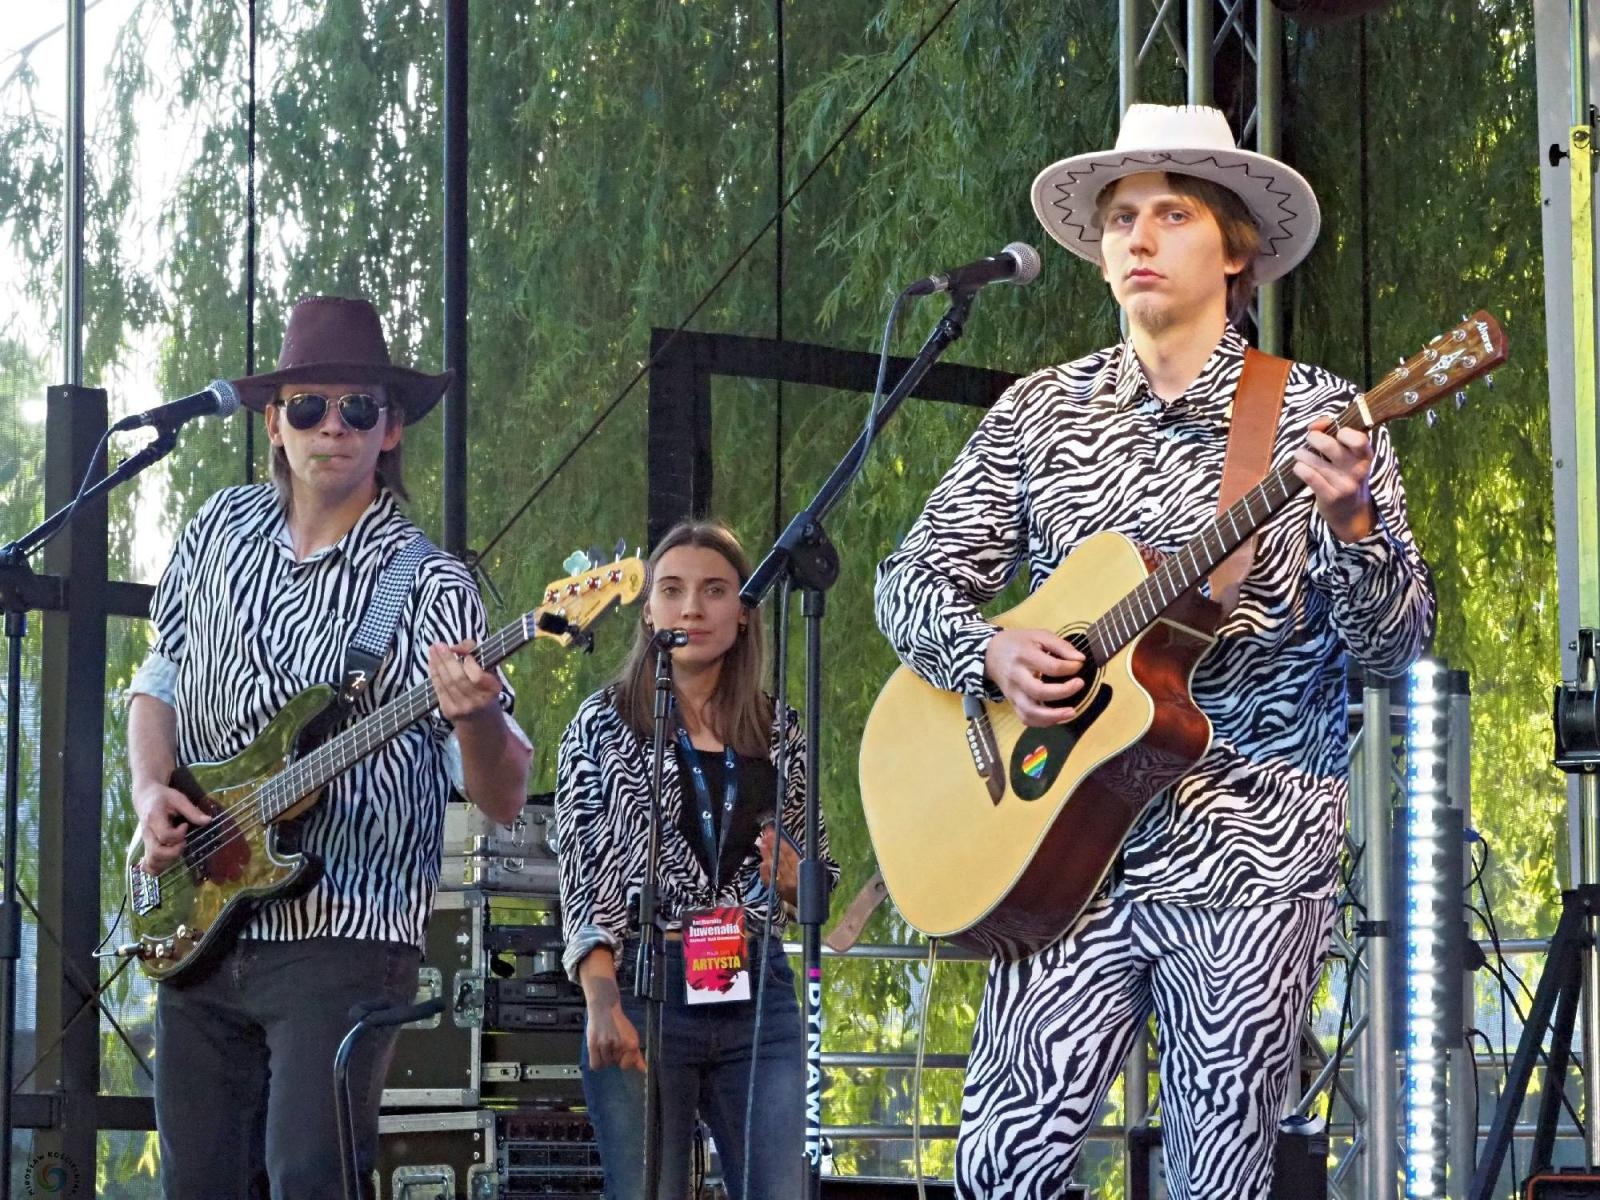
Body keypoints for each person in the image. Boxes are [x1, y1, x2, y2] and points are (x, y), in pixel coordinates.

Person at [873, 104, 1436, 1199]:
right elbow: (908, 585)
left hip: (1248, 858)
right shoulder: (1041, 412)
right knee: (1000, 1167)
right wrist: (991, 654)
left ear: (1236, 250)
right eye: (1118, 216)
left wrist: (1355, 526)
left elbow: (1392, 646)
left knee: (1215, 1180)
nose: (1133, 236)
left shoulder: (1315, 414)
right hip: (1053, 852)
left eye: (1170, 213)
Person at [127, 295, 533, 1199]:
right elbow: (156, 681)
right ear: (275, 421)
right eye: (309, 407)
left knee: (309, 1175)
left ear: (390, 430)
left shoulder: (428, 582)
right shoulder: (217, 532)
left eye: (358, 409)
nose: (332, 428)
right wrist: (152, 792)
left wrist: (473, 715)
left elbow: (504, 792)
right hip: (201, 913)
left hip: (343, 933)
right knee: (200, 1184)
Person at [555, 519, 838, 1200]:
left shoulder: (781, 731)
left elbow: (820, 882)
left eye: (714, 591)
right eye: (673, 590)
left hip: (758, 992)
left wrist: (801, 882)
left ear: (743, 614)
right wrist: (600, 999)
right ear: (648, 610)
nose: (692, 608)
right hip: (646, 988)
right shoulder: (603, 724)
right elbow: (583, 879)